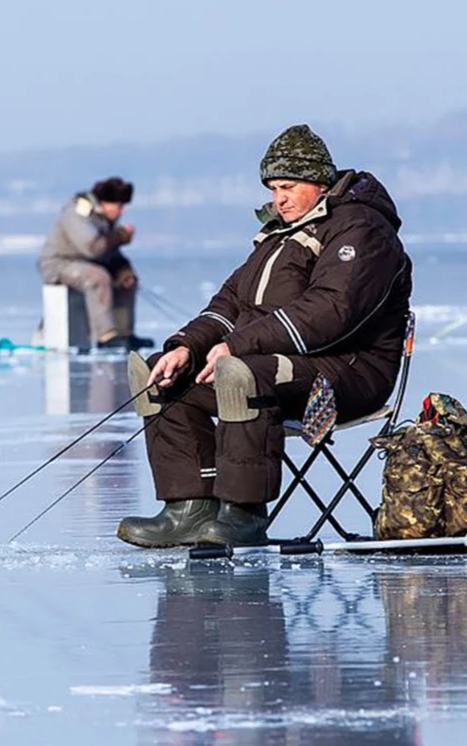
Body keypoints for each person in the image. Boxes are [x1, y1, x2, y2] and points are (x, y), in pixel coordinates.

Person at [117, 124, 413, 548]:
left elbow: (333, 312)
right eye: (274, 188)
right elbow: (229, 305)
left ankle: (242, 513)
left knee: (244, 374)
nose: (279, 198)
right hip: (282, 362)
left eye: (288, 186)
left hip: (351, 372)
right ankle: (188, 508)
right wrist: (186, 346)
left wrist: (237, 346)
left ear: (318, 181)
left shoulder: (361, 230)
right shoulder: (279, 235)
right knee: (162, 379)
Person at [37, 177, 153, 351]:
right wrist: (120, 236)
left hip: (85, 263)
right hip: (58, 263)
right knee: (98, 277)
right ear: (103, 202)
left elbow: (109, 252)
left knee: (126, 280)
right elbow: (93, 248)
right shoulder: (77, 213)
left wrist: (123, 269)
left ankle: (124, 334)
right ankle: (105, 335)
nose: (121, 212)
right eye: (117, 206)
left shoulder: (102, 217)